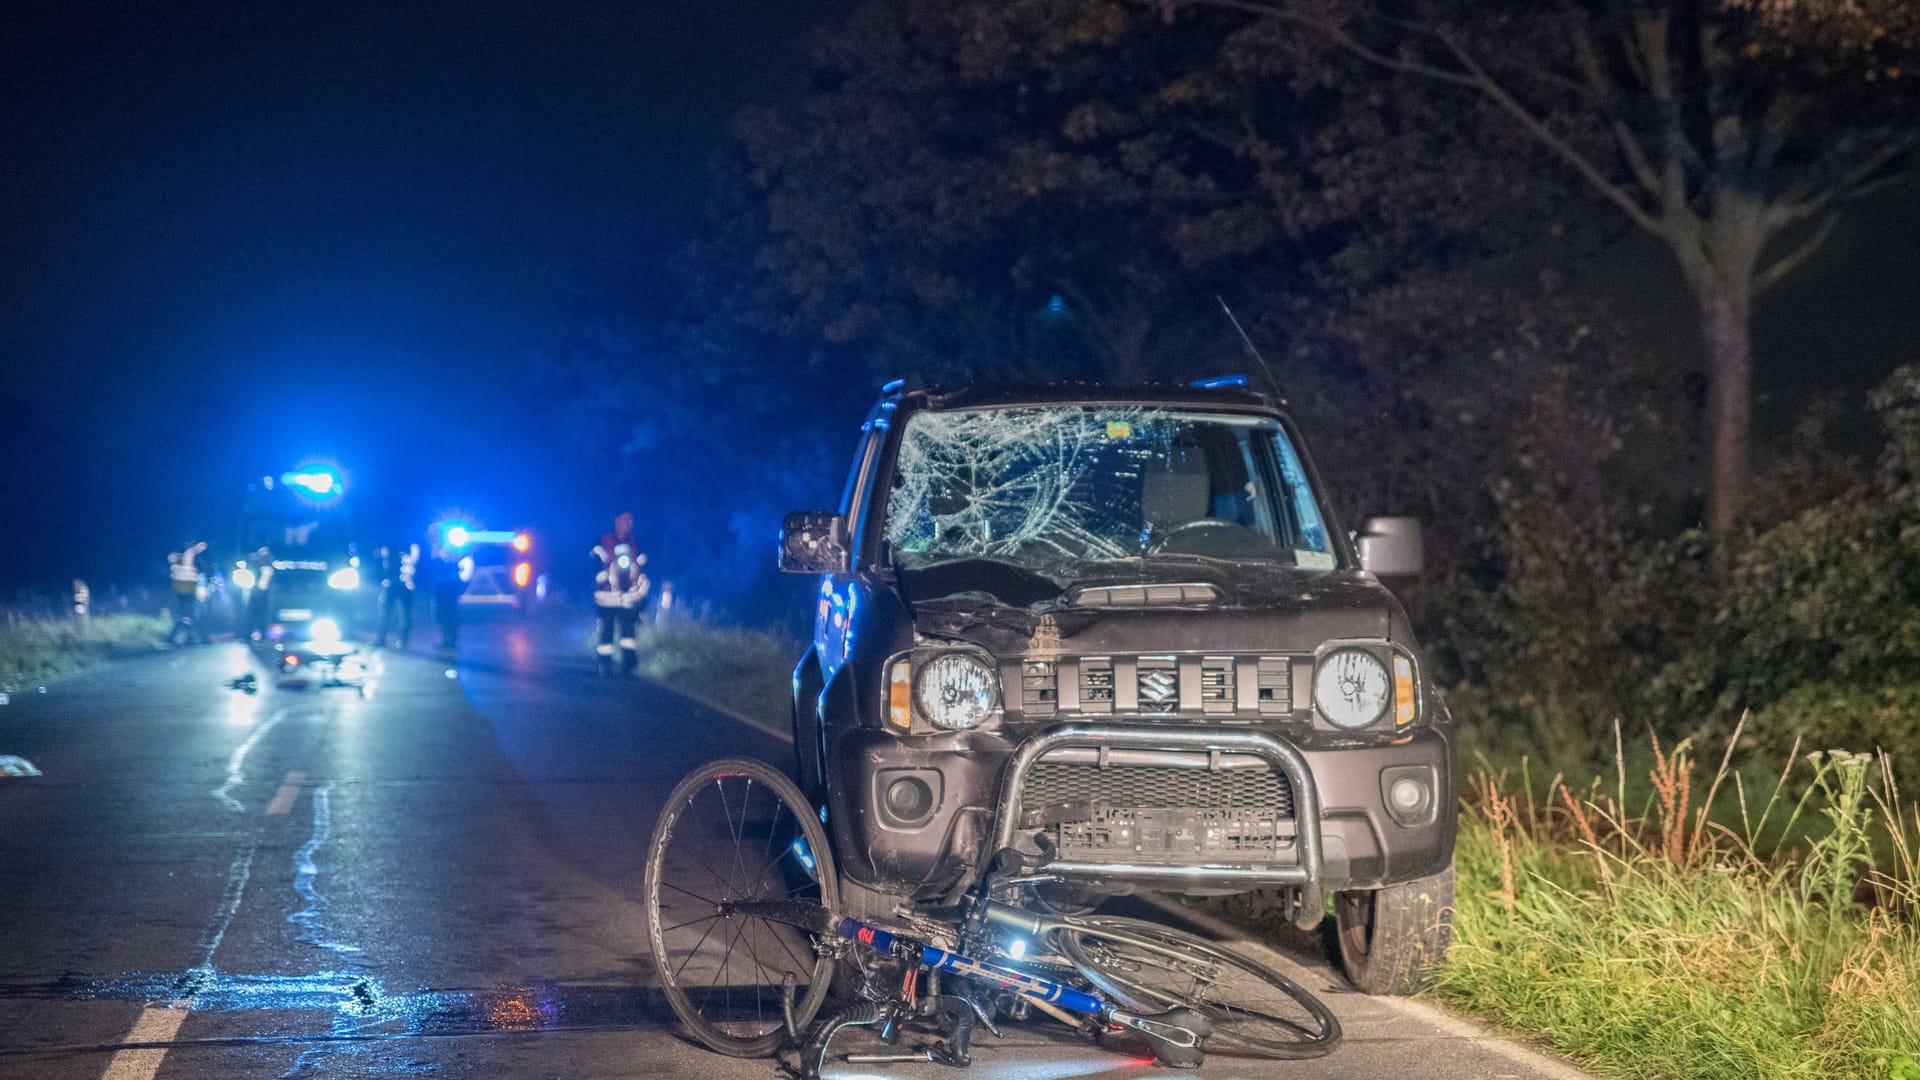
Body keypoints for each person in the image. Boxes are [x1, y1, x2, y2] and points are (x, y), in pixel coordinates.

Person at [591, 512, 649, 674]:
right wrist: (604, 575)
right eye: (625, 520)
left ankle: (629, 664)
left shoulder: (635, 541)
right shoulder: (604, 540)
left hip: (628, 595)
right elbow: (594, 562)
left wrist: (639, 585)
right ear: (617, 520)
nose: (629, 523)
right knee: (607, 629)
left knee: (628, 632)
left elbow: (642, 562)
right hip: (607, 596)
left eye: (630, 520)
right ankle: (605, 663)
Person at [376, 542, 418, 649]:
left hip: (403, 586)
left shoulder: (409, 549)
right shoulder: (406, 548)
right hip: (396, 585)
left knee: (403, 615)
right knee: (387, 613)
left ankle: (400, 641)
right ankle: (385, 639)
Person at [167, 541, 207, 646]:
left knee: (184, 614)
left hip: (180, 588)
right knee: (188, 615)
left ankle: (180, 638)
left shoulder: (176, 556)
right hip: (188, 588)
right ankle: (184, 638)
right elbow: (199, 572)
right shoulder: (191, 554)